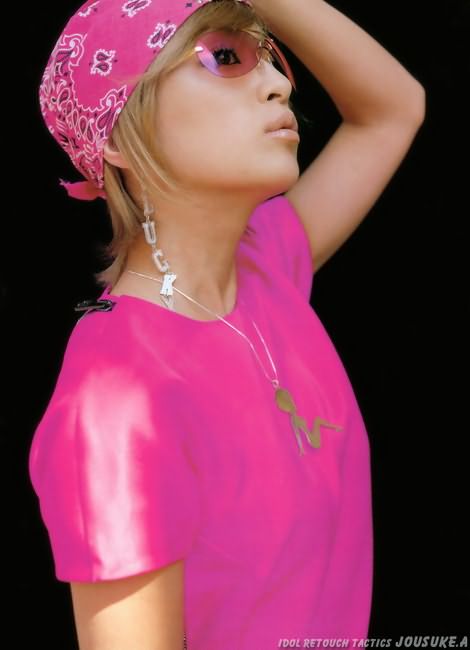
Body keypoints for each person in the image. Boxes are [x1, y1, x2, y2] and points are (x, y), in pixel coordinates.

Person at [28, 0, 425, 648]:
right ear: (121, 136)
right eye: (226, 56)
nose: (279, 84)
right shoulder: (116, 400)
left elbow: (394, 107)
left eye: (270, 57)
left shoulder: (266, 266)